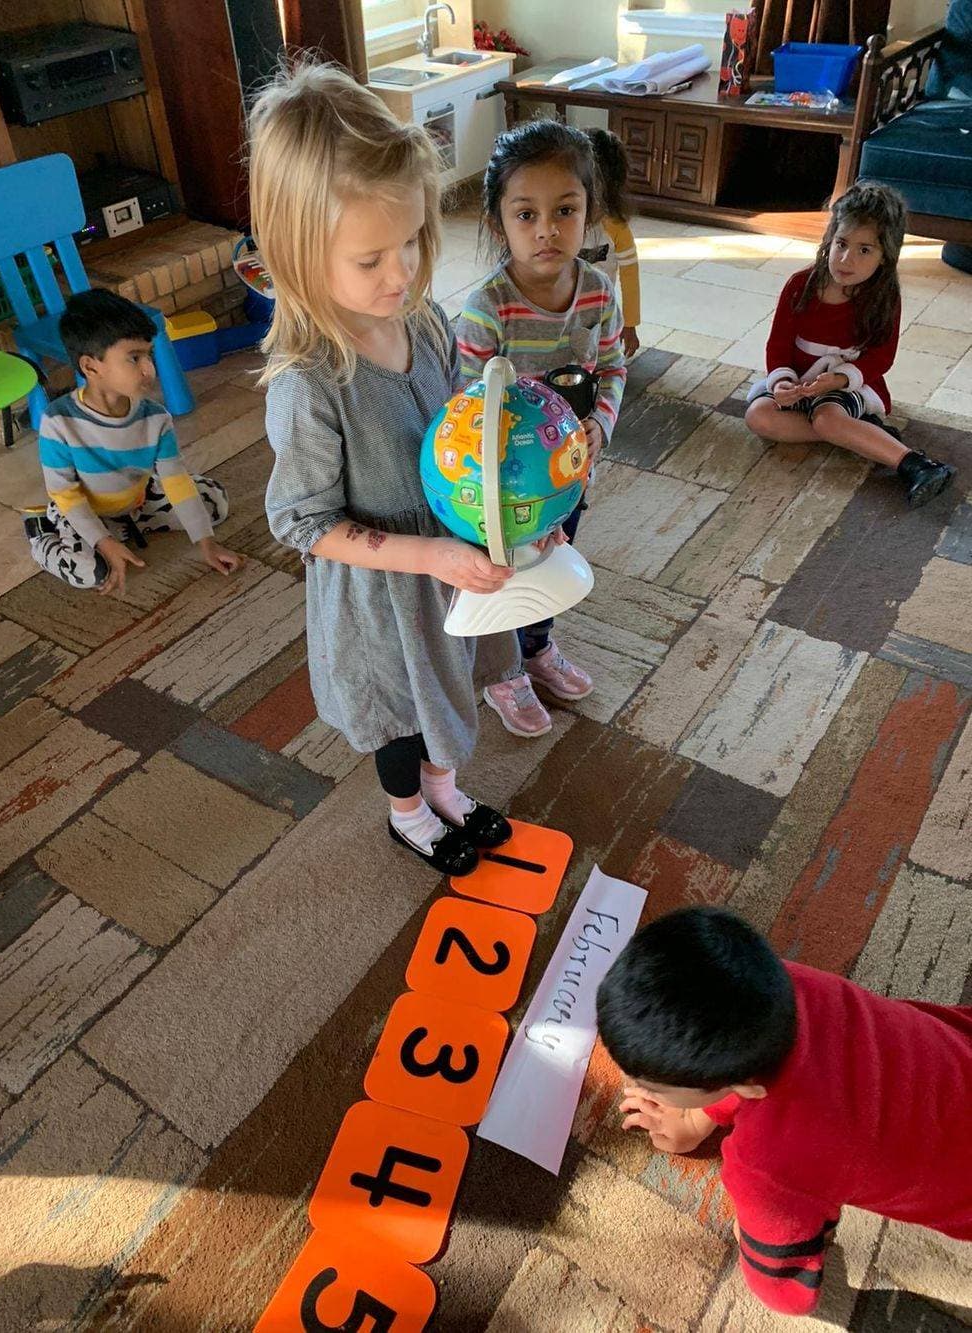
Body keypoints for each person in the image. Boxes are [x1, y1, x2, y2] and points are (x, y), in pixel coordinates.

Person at [252, 62, 518, 876]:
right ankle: (410, 810)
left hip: (448, 559)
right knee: (401, 718)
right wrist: (427, 554)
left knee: (456, 683)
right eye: (370, 259)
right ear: (299, 255)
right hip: (383, 595)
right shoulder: (309, 383)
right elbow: (302, 522)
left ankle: (447, 788)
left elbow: (445, 418)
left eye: (410, 241)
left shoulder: (421, 317)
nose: (401, 272)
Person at [596, 906, 972, 1317]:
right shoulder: (785, 983)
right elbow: (753, 1069)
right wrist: (695, 1117)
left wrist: (753, 1230)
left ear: (739, 1086)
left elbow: (788, 1295)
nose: (637, 1084)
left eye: (653, 1084)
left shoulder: (765, 1168)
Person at [455, 120, 627, 739]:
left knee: (553, 560)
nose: (547, 230)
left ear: (590, 213)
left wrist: (599, 433)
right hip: (495, 489)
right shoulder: (487, 310)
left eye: (565, 210)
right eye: (526, 215)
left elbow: (611, 368)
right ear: (498, 223)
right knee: (502, 573)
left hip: (568, 474)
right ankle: (500, 671)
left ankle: (536, 647)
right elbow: (462, 409)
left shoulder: (600, 294)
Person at [745, 181, 955, 508]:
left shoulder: (883, 298)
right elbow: (778, 345)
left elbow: (882, 358)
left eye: (864, 250)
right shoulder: (800, 285)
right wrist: (783, 381)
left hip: (845, 388)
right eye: (841, 243)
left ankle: (915, 463)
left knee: (828, 418)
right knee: (758, 417)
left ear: (885, 257)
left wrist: (841, 379)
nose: (846, 259)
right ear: (829, 240)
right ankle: (861, 435)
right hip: (801, 384)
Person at [24, 288, 241, 596]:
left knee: (215, 504)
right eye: (134, 357)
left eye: (149, 354)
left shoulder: (156, 418)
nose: (148, 368)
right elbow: (66, 494)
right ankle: (40, 532)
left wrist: (206, 544)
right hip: (81, 509)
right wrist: (104, 543)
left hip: (138, 498)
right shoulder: (57, 422)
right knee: (92, 572)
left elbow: (175, 480)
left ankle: (128, 527)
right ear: (90, 367)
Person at [581, 127, 641, 361]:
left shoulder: (617, 228)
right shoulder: (561, 222)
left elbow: (630, 277)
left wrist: (630, 324)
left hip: (602, 313)